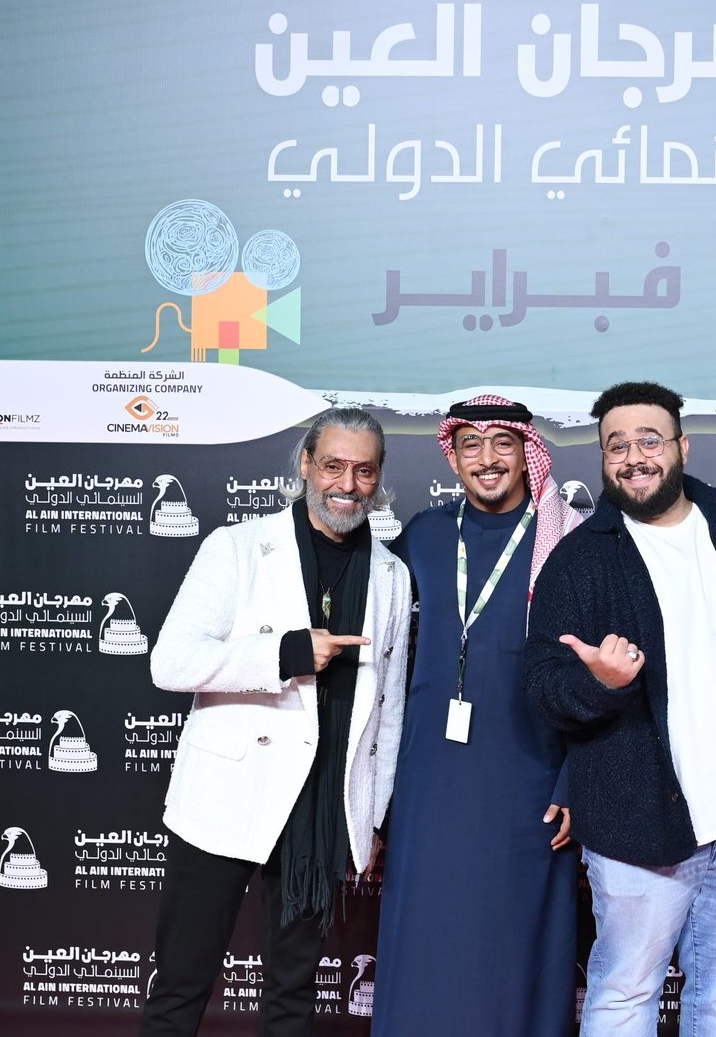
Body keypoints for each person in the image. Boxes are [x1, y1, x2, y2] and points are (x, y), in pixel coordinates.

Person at [524, 380, 716, 1037]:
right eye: (617, 446)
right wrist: (601, 683)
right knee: (624, 992)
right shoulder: (579, 559)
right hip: (637, 827)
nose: (635, 457)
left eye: (649, 440)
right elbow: (542, 684)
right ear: (603, 459)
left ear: (682, 447)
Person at [139, 407, 410, 1037]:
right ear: (307, 465)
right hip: (229, 794)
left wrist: (372, 815)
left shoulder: (393, 575)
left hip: (324, 808)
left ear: (379, 477)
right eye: (333, 466)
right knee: (180, 984)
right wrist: (285, 654)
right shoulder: (236, 547)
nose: (347, 484)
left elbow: (390, 709)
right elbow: (170, 662)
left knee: (293, 998)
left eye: (364, 471)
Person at [369, 394, 583, 1036]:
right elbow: (380, 658)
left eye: (503, 444)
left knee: (510, 946)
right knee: (428, 937)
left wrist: (574, 782)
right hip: (429, 781)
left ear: (527, 452)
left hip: (529, 780)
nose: (487, 459)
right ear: (453, 457)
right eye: (471, 445)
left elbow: (598, 676)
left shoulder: (569, 539)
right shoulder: (424, 535)